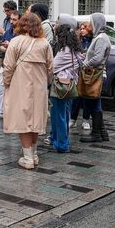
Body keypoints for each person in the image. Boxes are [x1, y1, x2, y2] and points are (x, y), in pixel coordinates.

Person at [2, 13, 54, 169]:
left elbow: (8, 66)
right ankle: (34, 154)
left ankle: (28, 158)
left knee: (23, 120)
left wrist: (6, 83)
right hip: (39, 86)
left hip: (19, 84)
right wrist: (46, 82)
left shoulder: (15, 42)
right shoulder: (44, 43)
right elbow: (50, 68)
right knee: (36, 119)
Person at [49, 19, 82, 153]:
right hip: (70, 85)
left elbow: (52, 67)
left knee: (59, 115)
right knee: (65, 114)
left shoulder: (64, 51)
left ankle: (62, 144)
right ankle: (59, 140)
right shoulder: (75, 50)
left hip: (60, 87)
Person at [80, 13, 111, 143]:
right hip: (96, 73)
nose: (89, 25)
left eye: (91, 22)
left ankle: (96, 133)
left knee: (94, 102)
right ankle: (102, 132)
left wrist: (85, 63)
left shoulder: (101, 38)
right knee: (94, 102)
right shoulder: (100, 37)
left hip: (95, 74)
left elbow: (98, 58)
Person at [0, 10, 20, 120]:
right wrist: (3, 46)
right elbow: (1, 46)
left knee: (15, 90)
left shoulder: (23, 33)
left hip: (17, 65)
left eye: (14, 19)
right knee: (0, 87)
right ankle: (1, 111)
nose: (11, 21)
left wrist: (9, 46)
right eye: (11, 19)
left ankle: (14, 112)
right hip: (6, 63)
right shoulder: (9, 32)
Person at [70, 21, 94, 130]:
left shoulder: (93, 41)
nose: (82, 30)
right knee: (76, 96)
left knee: (87, 96)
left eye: (84, 28)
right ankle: (73, 119)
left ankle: (86, 119)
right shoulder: (78, 40)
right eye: (81, 28)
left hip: (89, 71)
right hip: (78, 71)